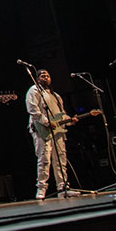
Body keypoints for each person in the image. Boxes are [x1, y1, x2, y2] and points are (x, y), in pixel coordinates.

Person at [26, 69, 80, 200]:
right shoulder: (34, 91)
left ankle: (63, 187)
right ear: (37, 78)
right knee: (44, 159)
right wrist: (46, 122)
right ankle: (41, 189)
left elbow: (61, 114)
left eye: (48, 75)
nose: (45, 77)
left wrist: (69, 121)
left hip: (57, 131)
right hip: (41, 130)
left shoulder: (56, 96)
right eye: (42, 75)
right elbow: (32, 109)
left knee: (61, 159)